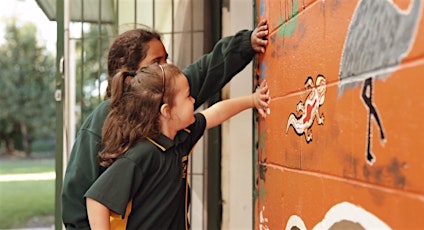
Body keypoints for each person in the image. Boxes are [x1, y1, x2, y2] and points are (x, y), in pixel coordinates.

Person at [61, 20, 269, 229]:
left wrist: (244, 44)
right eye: (157, 62)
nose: (166, 67)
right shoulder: (107, 123)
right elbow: (81, 199)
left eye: (166, 60)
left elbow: (205, 72)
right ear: (131, 77)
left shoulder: (172, 107)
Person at [85, 63, 270, 229]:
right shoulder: (142, 154)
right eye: (188, 96)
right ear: (166, 111)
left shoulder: (182, 137)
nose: (193, 101)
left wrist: (252, 100)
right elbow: (96, 200)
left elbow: (216, 113)